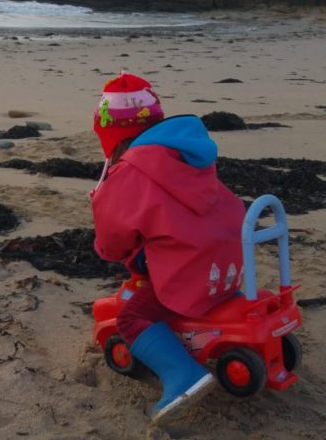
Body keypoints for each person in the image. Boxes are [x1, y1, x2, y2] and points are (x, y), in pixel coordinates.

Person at [89, 72, 246, 423]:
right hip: (229, 263)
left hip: (191, 268)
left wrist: (107, 248)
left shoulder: (130, 171)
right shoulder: (186, 154)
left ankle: (183, 375)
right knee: (160, 248)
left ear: (110, 135)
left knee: (132, 318)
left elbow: (114, 239)